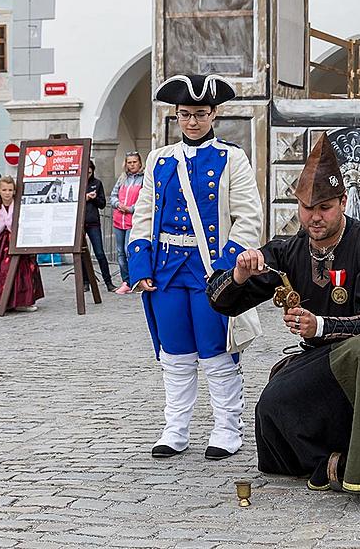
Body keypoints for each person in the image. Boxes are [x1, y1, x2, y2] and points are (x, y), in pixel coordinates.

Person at [206, 135, 360, 494]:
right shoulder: (288, 251)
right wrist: (239, 274)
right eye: (307, 208)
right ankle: (331, 458)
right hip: (318, 359)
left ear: (343, 202)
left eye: (325, 207)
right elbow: (222, 302)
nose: (315, 217)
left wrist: (320, 325)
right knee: (270, 408)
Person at [129, 73, 262, 461]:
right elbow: (144, 212)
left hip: (209, 269)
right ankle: (176, 428)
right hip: (168, 267)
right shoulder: (159, 159)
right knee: (174, 353)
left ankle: (226, 428)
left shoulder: (231, 157)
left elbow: (249, 217)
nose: (192, 122)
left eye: (200, 114)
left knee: (217, 351)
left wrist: (225, 268)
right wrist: (140, 263)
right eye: (185, 114)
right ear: (175, 115)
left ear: (214, 113)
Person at [0, 176, 44, 311]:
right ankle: (0, 299)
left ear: (14, 191)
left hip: (16, 240)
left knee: (22, 270)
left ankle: (22, 301)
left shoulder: (19, 206)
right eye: (4, 190)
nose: (7, 193)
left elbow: (25, 222)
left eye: (10, 190)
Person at [109, 151, 145, 294]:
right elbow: (112, 196)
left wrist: (131, 209)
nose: (132, 165)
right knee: (120, 252)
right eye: (129, 162)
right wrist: (118, 204)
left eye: (134, 162)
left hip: (133, 220)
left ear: (140, 163)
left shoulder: (143, 179)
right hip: (119, 220)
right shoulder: (122, 178)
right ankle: (126, 281)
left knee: (128, 250)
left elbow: (144, 200)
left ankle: (135, 279)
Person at [83, 160, 117, 293]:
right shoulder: (77, 183)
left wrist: (94, 198)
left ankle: (108, 282)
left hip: (93, 222)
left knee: (100, 253)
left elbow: (102, 204)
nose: (88, 174)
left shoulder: (97, 183)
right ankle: (85, 282)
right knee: (82, 254)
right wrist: (84, 197)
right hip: (80, 223)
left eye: (90, 172)